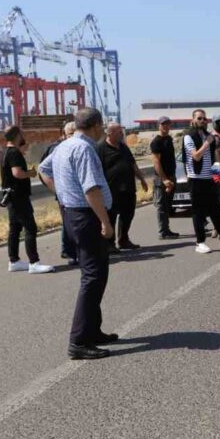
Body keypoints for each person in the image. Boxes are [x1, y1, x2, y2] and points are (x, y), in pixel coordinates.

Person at [38, 108, 117, 360]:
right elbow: (91, 188)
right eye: (102, 126)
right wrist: (105, 221)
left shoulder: (64, 145)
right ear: (94, 125)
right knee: (93, 278)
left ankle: (93, 330)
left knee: (94, 274)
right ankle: (79, 341)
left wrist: (60, 195)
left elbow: (43, 168)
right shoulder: (84, 149)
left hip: (73, 213)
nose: (103, 130)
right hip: (87, 216)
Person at [184, 109, 220, 253]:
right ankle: (200, 242)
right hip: (196, 179)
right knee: (198, 212)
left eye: (204, 119)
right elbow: (196, 156)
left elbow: (214, 158)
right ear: (193, 120)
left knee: (216, 210)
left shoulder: (208, 136)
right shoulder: (189, 136)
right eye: (199, 119)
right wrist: (206, 143)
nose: (202, 121)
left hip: (209, 179)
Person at [1, 125, 54, 274]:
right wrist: (30, 173)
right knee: (30, 228)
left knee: (15, 229)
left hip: (10, 196)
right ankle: (34, 262)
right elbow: (17, 173)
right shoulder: (14, 153)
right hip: (19, 197)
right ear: (18, 135)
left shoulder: (3, 152)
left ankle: (14, 261)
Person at [98, 122, 148, 252]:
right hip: (111, 190)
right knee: (111, 217)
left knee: (128, 215)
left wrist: (142, 179)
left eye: (121, 131)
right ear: (109, 133)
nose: (121, 134)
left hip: (128, 188)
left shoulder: (123, 147)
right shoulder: (100, 149)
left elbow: (132, 164)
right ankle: (109, 244)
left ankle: (123, 240)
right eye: (118, 132)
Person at [41, 121, 78, 264]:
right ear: (64, 134)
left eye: (76, 133)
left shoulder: (80, 147)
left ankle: (76, 251)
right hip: (64, 193)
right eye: (70, 134)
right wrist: (56, 189)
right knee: (69, 222)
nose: (73, 136)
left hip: (76, 193)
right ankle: (69, 252)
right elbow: (43, 170)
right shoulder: (55, 149)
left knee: (75, 222)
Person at [149, 116, 180, 240]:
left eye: (168, 124)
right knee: (161, 206)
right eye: (163, 124)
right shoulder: (157, 141)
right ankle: (163, 232)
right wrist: (164, 179)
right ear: (159, 126)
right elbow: (156, 162)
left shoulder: (168, 139)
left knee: (168, 205)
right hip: (162, 178)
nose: (166, 126)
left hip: (171, 176)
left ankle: (167, 229)